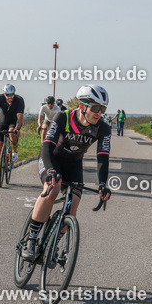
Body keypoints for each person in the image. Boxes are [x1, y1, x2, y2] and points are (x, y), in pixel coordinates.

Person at [20, 84, 112, 261]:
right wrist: (51, 170)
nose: (99, 113)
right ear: (82, 106)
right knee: (52, 189)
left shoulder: (103, 128)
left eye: (103, 109)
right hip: (52, 159)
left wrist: (102, 184)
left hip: (73, 164)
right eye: (95, 108)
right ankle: (31, 240)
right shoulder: (63, 117)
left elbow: (103, 157)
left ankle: (54, 242)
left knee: (73, 204)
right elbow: (47, 145)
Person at [0, 84, 25, 178]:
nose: (10, 97)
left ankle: (15, 150)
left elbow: (20, 116)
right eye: (8, 95)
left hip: (13, 122)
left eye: (12, 94)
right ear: (4, 94)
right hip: (2, 122)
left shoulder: (19, 100)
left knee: (12, 133)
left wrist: (18, 128)